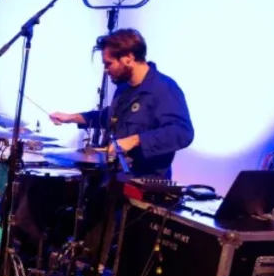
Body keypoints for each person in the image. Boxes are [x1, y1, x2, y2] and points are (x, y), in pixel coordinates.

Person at [49, 28, 194, 179]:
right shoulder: (124, 87)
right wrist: (71, 118)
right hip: (115, 179)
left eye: (108, 64)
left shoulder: (164, 88)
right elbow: (111, 117)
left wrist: (135, 140)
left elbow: (183, 132)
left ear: (128, 58)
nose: (106, 70)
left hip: (144, 183)